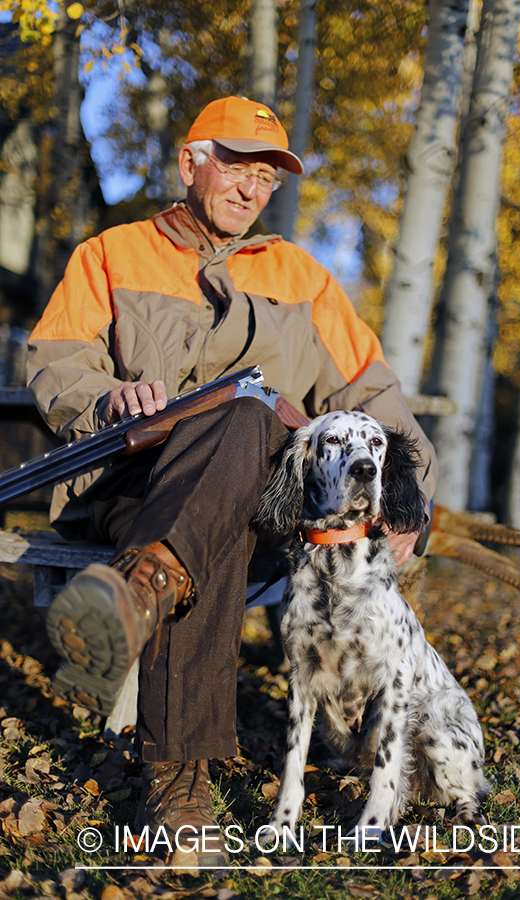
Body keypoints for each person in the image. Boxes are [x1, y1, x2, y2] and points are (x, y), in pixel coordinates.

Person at [27, 96, 438, 866]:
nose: (252, 190)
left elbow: (373, 396)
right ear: (191, 164)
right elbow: (54, 357)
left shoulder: (303, 279)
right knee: (222, 492)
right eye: (238, 169)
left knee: (248, 427)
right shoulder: (112, 254)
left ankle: (148, 598)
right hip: (129, 482)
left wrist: (414, 495)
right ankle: (177, 767)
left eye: (266, 179)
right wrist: (104, 396)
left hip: (255, 499)